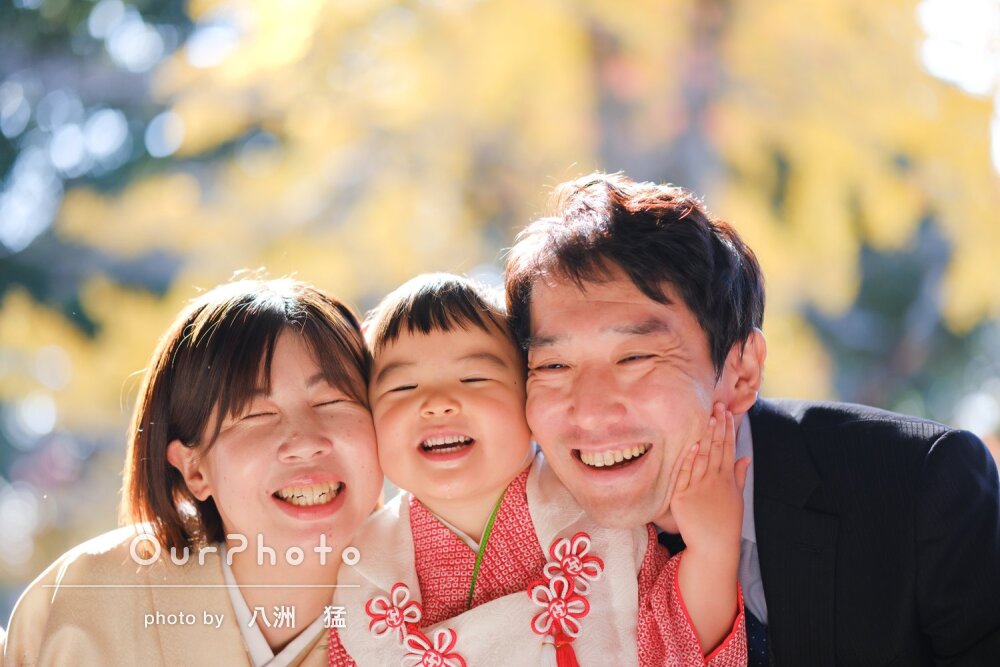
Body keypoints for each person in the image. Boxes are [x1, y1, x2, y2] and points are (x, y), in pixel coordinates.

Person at [504, 172, 1000, 666]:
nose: (590, 408)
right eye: (553, 366)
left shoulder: (920, 488)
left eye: (634, 359)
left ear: (742, 372)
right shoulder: (504, 538)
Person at [328, 273, 746, 665]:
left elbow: (678, 643)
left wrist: (713, 550)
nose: (437, 402)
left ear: (529, 397)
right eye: (403, 387)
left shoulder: (595, 510)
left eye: (473, 378)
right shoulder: (362, 566)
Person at [4, 278, 383, 666]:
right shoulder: (88, 603)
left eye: (333, 400)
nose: (305, 441)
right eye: (257, 415)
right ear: (194, 470)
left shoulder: (437, 611)